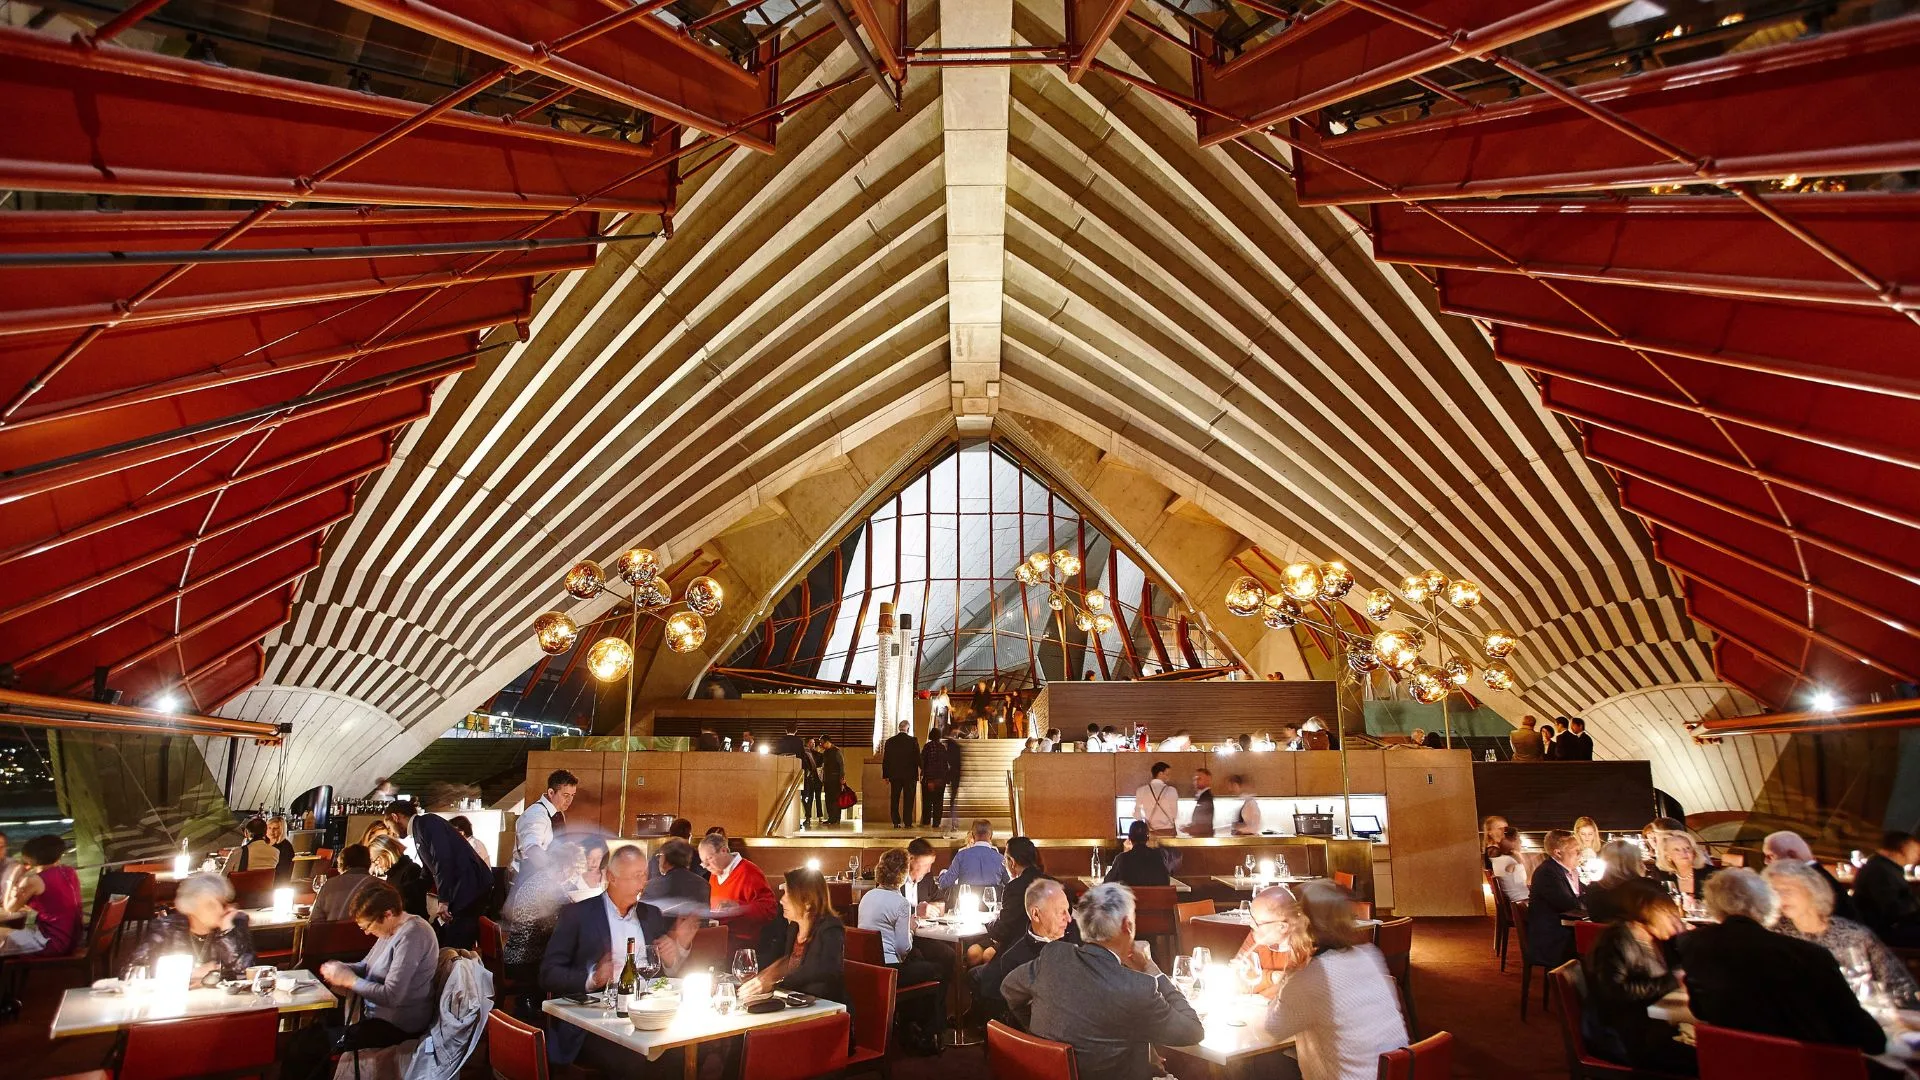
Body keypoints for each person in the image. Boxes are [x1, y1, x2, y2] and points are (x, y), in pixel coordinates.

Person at [1001, 883, 1204, 1080]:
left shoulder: (1053, 956)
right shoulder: (1137, 988)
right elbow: (1194, 1031)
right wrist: (1152, 970)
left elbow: (1009, 988)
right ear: (1127, 925)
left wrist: (1035, 1037)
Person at [1678, 869, 1885, 1056]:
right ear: (1767, 903)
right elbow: (1865, 1035)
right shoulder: (1806, 954)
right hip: (1805, 1066)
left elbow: (1701, 1010)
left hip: (1735, 1064)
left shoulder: (1692, 944)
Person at [540, 846, 691, 1071]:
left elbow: (662, 973)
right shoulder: (578, 915)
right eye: (636, 877)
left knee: (682, 1051)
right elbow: (548, 974)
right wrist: (592, 978)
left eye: (644, 876)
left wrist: (673, 956)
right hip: (596, 1023)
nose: (643, 884)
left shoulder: (650, 914)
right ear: (612, 877)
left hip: (647, 1017)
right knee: (631, 1061)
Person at [1253, 880, 1409, 1079]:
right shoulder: (1369, 955)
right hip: (1397, 1074)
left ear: (1301, 923)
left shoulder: (1309, 977)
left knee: (1259, 1067)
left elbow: (1269, 1032)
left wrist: (1288, 974)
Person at [303, 883, 438, 1074]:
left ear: (388, 914)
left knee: (307, 1048)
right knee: (312, 1033)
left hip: (398, 1024)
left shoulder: (413, 935)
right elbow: (366, 966)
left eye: (368, 926)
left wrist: (349, 980)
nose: (366, 932)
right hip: (376, 1018)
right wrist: (340, 968)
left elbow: (392, 996)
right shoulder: (390, 929)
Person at [1767, 858, 1919, 1009]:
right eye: (1774, 891)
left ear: (1812, 891)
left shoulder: (1853, 934)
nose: (1780, 897)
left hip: (1867, 1014)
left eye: (1787, 890)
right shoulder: (1773, 937)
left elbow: (1898, 983)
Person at [1580, 887, 1694, 1073]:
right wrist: (1671, 980)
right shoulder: (1616, 939)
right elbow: (1616, 991)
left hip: (1647, 1024)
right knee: (1705, 1058)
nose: (1675, 922)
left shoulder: (1654, 939)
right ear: (1646, 912)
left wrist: (1685, 937)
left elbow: (1683, 963)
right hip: (1622, 1035)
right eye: (1669, 915)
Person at [858, 850, 946, 1049]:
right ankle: (929, 1032)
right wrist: (912, 930)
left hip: (869, 967)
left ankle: (910, 1024)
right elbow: (902, 947)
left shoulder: (867, 897)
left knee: (919, 959)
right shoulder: (900, 903)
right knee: (937, 969)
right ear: (903, 874)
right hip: (892, 970)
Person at [383, 800, 492, 947]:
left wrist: (444, 901)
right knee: (450, 939)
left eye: (389, 826)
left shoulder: (426, 823)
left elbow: (443, 859)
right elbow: (429, 871)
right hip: (464, 890)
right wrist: (403, 891)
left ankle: (462, 968)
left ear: (395, 817)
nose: (392, 832)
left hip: (468, 889)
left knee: (455, 943)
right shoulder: (420, 828)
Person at [124, 871, 255, 982]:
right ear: (190, 907)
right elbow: (131, 973)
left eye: (220, 903)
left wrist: (226, 932)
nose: (218, 910)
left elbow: (246, 974)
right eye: (209, 905)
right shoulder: (166, 928)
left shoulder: (234, 924)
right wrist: (191, 974)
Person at [744, 868, 845, 1001]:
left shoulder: (830, 928)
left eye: (787, 894)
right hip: (794, 1000)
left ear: (807, 902)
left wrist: (775, 983)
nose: (781, 900)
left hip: (824, 1005)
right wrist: (753, 972)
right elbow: (777, 956)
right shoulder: (793, 927)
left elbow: (822, 970)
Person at [977, 877, 1075, 1010]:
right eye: (1060, 912)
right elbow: (1023, 1017)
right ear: (1035, 914)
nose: (1068, 918)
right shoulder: (1013, 960)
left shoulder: (1080, 936)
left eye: (1068, 910)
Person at [501, 840, 579, 988]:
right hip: (526, 959)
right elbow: (563, 923)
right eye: (575, 869)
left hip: (514, 953)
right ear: (566, 867)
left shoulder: (540, 878)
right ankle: (556, 1004)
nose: (575, 874)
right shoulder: (550, 888)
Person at [699, 834, 779, 961]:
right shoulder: (714, 875)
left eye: (709, 858)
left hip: (741, 949)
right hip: (718, 943)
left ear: (724, 850)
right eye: (703, 862)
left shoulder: (749, 872)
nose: (706, 866)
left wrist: (739, 907)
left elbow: (770, 909)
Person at [0, 835, 83, 957]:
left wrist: (12, 878)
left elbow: (9, 908)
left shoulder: (34, 881)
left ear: (30, 858)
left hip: (50, 942)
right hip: (72, 939)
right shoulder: (69, 871)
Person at [1762, 829, 1857, 921]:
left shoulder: (1809, 882)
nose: (1766, 862)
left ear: (1792, 856)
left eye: (1770, 856)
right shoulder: (1818, 875)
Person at [1526, 829, 1585, 966]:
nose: (1580, 854)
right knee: (1598, 944)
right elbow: (1570, 904)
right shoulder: (1547, 873)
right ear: (1558, 853)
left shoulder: (1568, 870)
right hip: (1553, 938)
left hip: (1564, 928)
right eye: (1576, 850)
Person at [1852, 830, 1920, 947]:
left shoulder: (1884, 867)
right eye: (1916, 851)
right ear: (1904, 849)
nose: (1917, 856)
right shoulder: (1880, 871)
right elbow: (1894, 910)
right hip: (1882, 932)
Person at [1584, 839, 1664, 923]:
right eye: (1640, 860)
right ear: (1633, 864)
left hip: (1603, 936)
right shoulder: (1644, 890)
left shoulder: (1593, 889)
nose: (1644, 866)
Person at [991, 837, 1051, 949]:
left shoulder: (1014, 888)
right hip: (1053, 951)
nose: (1005, 864)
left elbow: (1003, 931)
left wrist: (988, 925)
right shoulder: (1055, 884)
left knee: (978, 964)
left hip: (1022, 951)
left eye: (1005, 860)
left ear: (1012, 862)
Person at [513, 769, 576, 871]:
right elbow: (532, 848)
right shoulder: (535, 815)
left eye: (572, 795)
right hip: (529, 875)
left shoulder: (558, 813)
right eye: (566, 795)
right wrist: (551, 873)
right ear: (551, 793)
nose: (569, 800)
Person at [640, 839, 711, 919]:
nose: (658, 860)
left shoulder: (652, 886)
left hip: (664, 931)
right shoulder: (704, 885)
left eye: (660, 856)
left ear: (665, 859)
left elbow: (641, 916)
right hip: (698, 931)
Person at [938, 819, 1010, 891]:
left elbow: (944, 884)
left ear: (972, 835)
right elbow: (1009, 884)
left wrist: (942, 873)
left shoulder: (961, 856)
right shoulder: (1000, 858)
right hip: (993, 900)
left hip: (966, 900)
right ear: (991, 836)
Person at [369, 834, 429, 920]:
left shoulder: (411, 870)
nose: (376, 865)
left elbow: (412, 906)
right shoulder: (391, 876)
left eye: (375, 860)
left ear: (386, 854)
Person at [312, 844, 378, 922]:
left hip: (334, 933)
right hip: (367, 933)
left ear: (341, 863)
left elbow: (315, 921)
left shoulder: (329, 885)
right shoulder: (378, 884)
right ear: (369, 862)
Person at [1651, 828, 1716, 903]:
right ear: (1668, 856)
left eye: (1687, 848)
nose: (1684, 852)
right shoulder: (1661, 875)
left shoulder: (1711, 874)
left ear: (1694, 852)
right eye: (1677, 849)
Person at [1105, 821, 1171, 888]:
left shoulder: (1122, 858)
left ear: (1129, 838)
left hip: (1130, 898)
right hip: (1156, 898)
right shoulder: (1159, 856)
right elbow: (1166, 881)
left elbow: (1107, 883)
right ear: (1147, 838)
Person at [883, 720, 920, 829]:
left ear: (899, 728)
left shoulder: (890, 741)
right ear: (908, 729)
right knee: (909, 799)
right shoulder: (913, 741)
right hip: (910, 775)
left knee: (895, 798)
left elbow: (886, 760)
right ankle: (907, 822)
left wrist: (886, 775)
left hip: (895, 775)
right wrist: (923, 770)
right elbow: (917, 757)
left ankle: (896, 821)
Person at [1132, 761, 1179, 836]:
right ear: (1160, 773)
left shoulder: (1141, 790)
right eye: (1167, 774)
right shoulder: (1171, 790)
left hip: (1150, 832)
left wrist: (1145, 824)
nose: (1169, 777)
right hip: (1169, 832)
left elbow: (1137, 813)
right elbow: (1175, 814)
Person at [920, 728, 952, 829]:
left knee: (927, 802)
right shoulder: (942, 748)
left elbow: (922, 762)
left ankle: (926, 821)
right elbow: (945, 764)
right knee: (938, 802)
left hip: (928, 779)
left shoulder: (927, 747)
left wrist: (926, 776)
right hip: (940, 780)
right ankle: (936, 822)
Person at [1487, 827, 1529, 902]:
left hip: (1516, 901)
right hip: (1522, 902)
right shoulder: (1509, 860)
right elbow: (1522, 883)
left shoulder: (1499, 860)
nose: (1520, 841)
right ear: (1511, 841)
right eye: (1518, 838)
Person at [903, 837, 938, 913]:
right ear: (910, 859)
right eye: (925, 865)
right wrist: (917, 910)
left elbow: (938, 900)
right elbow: (889, 910)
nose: (929, 870)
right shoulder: (894, 878)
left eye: (930, 864)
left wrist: (936, 907)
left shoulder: (927, 878)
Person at [819, 734, 847, 826]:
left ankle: (835, 818)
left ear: (827, 742)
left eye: (822, 743)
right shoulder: (825, 752)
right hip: (827, 780)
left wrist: (842, 778)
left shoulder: (836, 751)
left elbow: (841, 765)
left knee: (835, 799)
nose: (821, 745)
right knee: (828, 799)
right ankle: (831, 817)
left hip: (835, 779)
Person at [265, 815, 298, 885]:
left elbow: (282, 871)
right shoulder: (262, 843)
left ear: (282, 830)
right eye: (269, 828)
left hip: (277, 882)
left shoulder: (286, 847)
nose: (271, 831)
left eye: (275, 828)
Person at [1184, 768, 1216, 837]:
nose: (1195, 781)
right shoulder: (1203, 796)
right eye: (1194, 779)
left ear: (1208, 780)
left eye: (1199, 779)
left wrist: (1188, 829)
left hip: (1203, 838)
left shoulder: (1206, 797)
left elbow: (1204, 825)